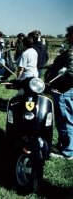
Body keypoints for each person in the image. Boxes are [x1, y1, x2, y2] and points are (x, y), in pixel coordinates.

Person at [45, 25, 73, 160]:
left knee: (65, 120)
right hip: (65, 90)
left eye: (69, 35)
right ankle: (65, 145)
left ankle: (67, 152)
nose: (67, 37)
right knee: (66, 119)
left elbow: (71, 74)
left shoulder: (72, 53)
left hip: (65, 91)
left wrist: (60, 87)